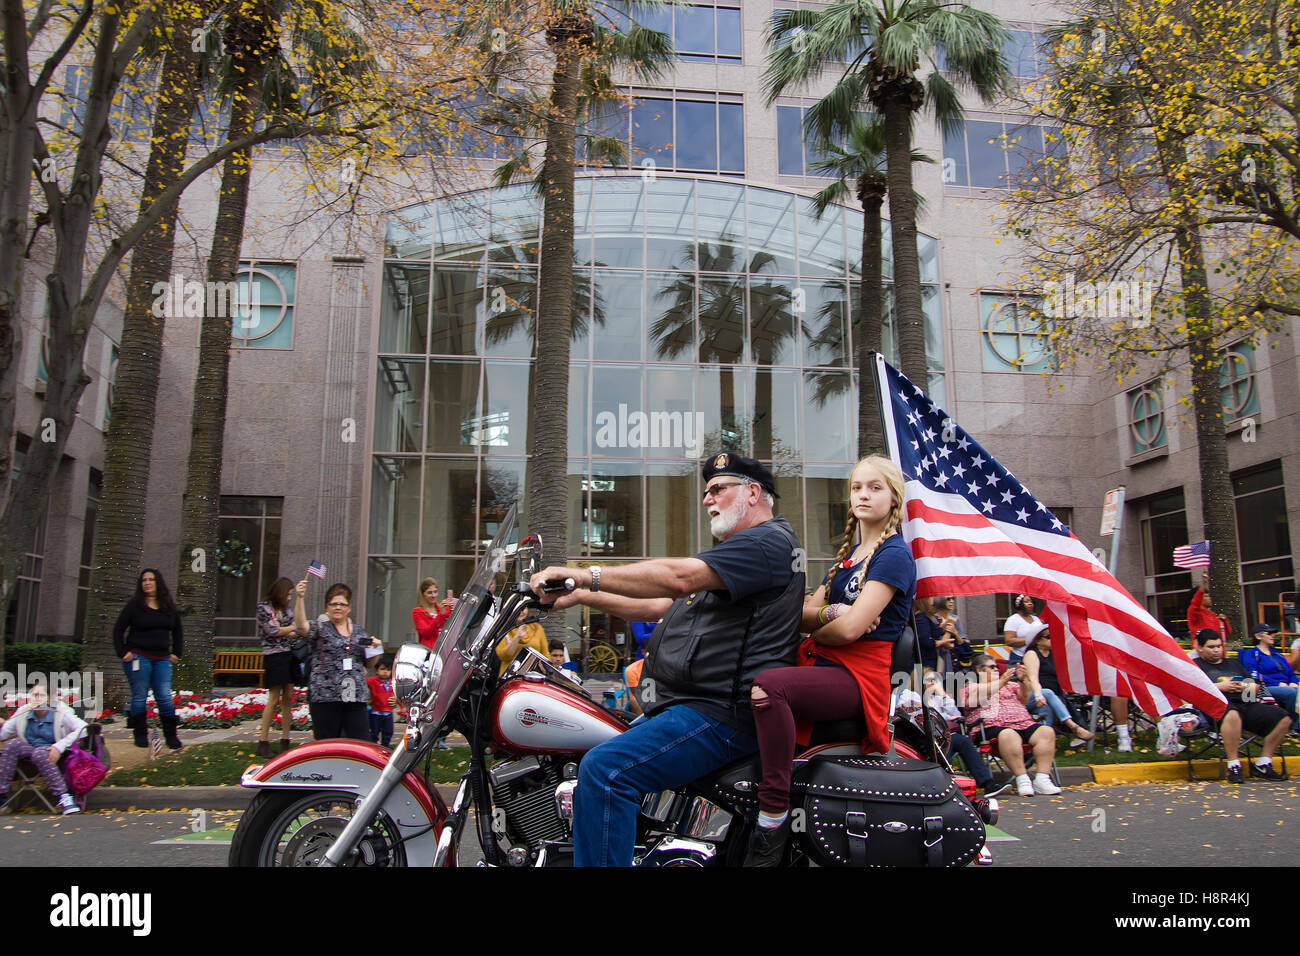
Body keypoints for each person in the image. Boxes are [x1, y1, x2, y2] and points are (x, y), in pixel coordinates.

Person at [529, 452, 803, 868]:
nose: (708, 499)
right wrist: (580, 595)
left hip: (722, 715)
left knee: (606, 771)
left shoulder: (766, 543)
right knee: (589, 744)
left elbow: (678, 578)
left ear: (752, 492)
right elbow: (657, 603)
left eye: (717, 490)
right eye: (706, 492)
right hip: (692, 705)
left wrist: (585, 573)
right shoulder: (739, 553)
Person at [745, 455, 915, 866]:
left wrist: (828, 623)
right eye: (858, 487)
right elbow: (804, 614)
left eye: (875, 487)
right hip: (824, 664)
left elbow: (851, 631)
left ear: (893, 497)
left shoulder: (893, 555)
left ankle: (773, 812)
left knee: (770, 688)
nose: (864, 495)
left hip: (858, 677)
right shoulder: (850, 557)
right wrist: (832, 616)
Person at [1193, 629, 1291, 782]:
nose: (1216, 650)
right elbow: (1193, 691)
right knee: (1232, 714)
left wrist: (1245, 687)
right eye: (1211, 647)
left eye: (1219, 646)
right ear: (1199, 648)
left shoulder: (1233, 663)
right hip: (1217, 708)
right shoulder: (1195, 666)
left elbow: (1255, 691)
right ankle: (1234, 765)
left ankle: (1263, 763)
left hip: (1245, 704)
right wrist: (1221, 687)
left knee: (1283, 717)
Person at [959, 654, 1061, 798]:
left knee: (1046, 731)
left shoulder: (1010, 685)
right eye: (992, 667)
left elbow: (1024, 699)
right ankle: (1022, 779)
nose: (996, 669)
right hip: (990, 728)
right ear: (979, 670)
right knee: (1009, 734)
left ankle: (1042, 779)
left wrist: (1022, 680)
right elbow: (971, 702)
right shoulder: (971, 687)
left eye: (996, 667)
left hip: (1023, 723)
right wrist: (1001, 682)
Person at [292, 580, 381, 740]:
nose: (338, 607)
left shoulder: (359, 632)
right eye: (333, 604)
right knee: (327, 745)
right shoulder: (320, 628)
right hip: (325, 697)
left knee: (360, 743)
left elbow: (369, 664)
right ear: (327, 607)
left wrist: (375, 649)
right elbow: (301, 626)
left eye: (342, 604)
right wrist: (299, 597)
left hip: (355, 697)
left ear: (349, 608)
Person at [897, 671, 1008, 797]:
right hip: (920, 737)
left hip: (942, 736)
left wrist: (943, 695)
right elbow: (912, 713)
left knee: (963, 741)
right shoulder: (909, 695)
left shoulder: (937, 698)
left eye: (935, 680)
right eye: (929, 680)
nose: (933, 683)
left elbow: (955, 714)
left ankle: (988, 784)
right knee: (943, 744)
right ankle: (940, 782)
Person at [113, 568, 184, 750]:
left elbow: (177, 631)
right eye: (144, 580)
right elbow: (118, 629)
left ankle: (171, 736)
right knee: (139, 696)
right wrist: (123, 652)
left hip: (162, 659)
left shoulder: (168, 606)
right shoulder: (134, 606)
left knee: (164, 697)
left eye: (151, 579)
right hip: (138, 657)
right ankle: (140, 734)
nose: (147, 583)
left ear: (157, 582)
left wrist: (176, 652)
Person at [0, 683, 86, 815]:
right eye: (33, 695)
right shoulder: (24, 711)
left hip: (53, 751)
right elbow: (4, 734)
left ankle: (64, 797)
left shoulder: (61, 712)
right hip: (28, 750)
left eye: (41, 695)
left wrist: (59, 747)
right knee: (12, 744)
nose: (36, 699)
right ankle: (1, 796)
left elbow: (83, 729)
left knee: (40, 753)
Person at [1021, 628, 1095, 744]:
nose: (1053, 639)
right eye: (1049, 637)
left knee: (1047, 707)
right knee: (1048, 693)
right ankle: (1073, 726)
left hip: (1047, 699)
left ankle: (1043, 742)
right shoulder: (1031, 654)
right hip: (1030, 696)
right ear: (1037, 641)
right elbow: (1033, 679)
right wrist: (1039, 695)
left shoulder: (1053, 654)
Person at [255, 576, 298, 757]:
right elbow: (272, 631)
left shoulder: (286, 611)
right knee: (273, 699)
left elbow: (295, 631)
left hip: (288, 655)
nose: (289, 598)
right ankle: (263, 741)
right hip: (273, 656)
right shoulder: (263, 608)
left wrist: (285, 629)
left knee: (288, 697)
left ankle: (285, 740)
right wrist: (287, 629)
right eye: (288, 594)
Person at [1239, 623, 1299, 724]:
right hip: (1265, 687)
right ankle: (1294, 726)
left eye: (1273, 634)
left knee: (1293, 688)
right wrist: (1278, 683)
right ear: (1258, 636)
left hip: (1286, 684)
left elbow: (1290, 673)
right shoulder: (1251, 654)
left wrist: (1294, 682)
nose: (1273, 636)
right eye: (1269, 633)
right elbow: (1253, 674)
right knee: (1291, 693)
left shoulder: (1278, 655)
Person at [496, 607, 549, 676]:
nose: (521, 613)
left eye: (523, 609)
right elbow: (503, 656)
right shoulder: (504, 630)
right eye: (518, 610)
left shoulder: (537, 628)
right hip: (509, 676)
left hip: (531, 676)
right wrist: (517, 637)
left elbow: (545, 654)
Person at [412, 578, 454, 650]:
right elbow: (426, 633)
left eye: (435, 592)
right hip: (430, 651)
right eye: (429, 593)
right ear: (423, 595)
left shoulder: (442, 609)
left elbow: (452, 629)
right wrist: (440, 615)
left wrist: (452, 612)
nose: (433, 595)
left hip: (445, 650)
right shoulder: (417, 612)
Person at [1002, 594, 1045, 665]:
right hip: (1019, 657)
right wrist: (1031, 639)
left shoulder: (1036, 619)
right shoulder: (1013, 619)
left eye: (1031, 601)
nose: (1030, 603)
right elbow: (1009, 641)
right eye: (1026, 601)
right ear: (1019, 605)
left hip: (1036, 656)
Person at [366, 657, 398, 747]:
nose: (385, 672)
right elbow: (363, 682)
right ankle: (372, 748)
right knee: (374, 733)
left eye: (388, 670)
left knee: (388, 732)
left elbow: (397, 695)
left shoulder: (393, 683)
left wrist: (401, 706)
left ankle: (385, 748)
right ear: (376, 671)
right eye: (382, 669)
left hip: (388, 713)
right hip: (375, 713)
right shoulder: (372, 681)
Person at [937, 596, 974, 672]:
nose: (952, 601)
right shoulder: (934, 619)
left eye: (953, 599)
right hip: (939, 658)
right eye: (948, 599)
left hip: (955, 659)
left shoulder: (956, 618)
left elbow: (962, 642)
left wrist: (955, 633)